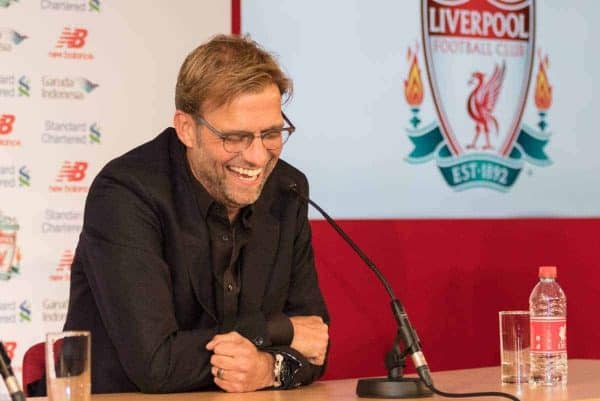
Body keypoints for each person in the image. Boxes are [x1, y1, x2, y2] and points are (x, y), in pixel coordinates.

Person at [55, 34, 329, 394]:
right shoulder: (125, 193)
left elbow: (316, 342)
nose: (259, 157)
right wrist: (278, 332)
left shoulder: (287, 189)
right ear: (187, 129)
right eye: (235, 137)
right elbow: (156, 364)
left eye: (272, 134)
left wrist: (268, 369)